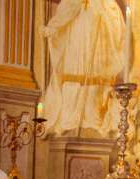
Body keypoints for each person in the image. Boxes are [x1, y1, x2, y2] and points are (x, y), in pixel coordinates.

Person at [40, 0, 124, 137]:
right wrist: (52, 28)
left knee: (95, 81)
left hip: (97, 46)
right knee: (73, 72)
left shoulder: (106, 4)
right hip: (76, 42)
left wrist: (104, 13)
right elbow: (65, 13)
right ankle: (70, 119)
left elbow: (116, 23)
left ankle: (92, 118)